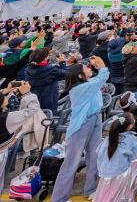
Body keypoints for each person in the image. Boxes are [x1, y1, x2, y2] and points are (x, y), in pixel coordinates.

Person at [50, 55, 108, 202]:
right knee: (71, 162)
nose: (89, 68)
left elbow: (96, 80)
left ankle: (91, 189)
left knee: (94, 156)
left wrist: (95, 67)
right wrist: (101, 65)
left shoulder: (87, 83)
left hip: (95, 119)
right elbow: (102, 77)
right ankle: (59, 198)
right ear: (80, 76)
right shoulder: (80, 89)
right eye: (86, 68)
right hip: (81, 125)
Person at [96, 112, 137, 179]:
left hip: (103, 174)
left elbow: (98, 152)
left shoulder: (107, 139)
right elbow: (135, 159)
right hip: (120, 176)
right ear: (130, 126)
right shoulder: (133, 140)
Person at [26, 47, 67, 113]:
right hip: (49, 99)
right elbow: (66, 73)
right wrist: (62, 62)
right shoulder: (52, 70)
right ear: (45, 58)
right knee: (50, 117)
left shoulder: (28, 69)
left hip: (34, 98)